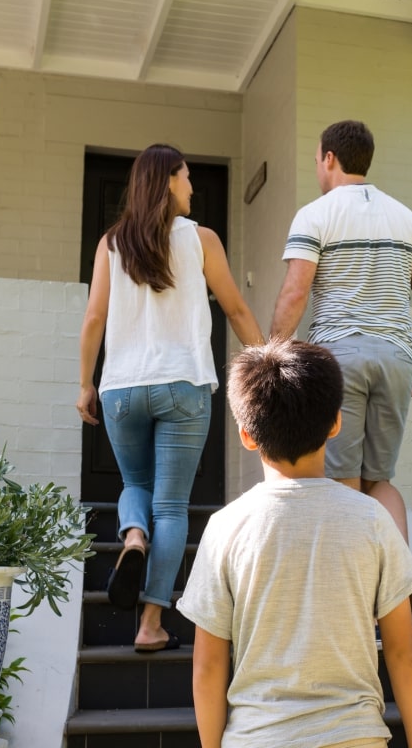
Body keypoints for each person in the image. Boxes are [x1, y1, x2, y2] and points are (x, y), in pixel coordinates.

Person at [177, 339, 412, 748]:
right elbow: (404, 655)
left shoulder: (225, 528)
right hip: (355, 737)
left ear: (246, 435)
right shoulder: (372, 520)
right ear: (336, 423)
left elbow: (208, 665)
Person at [77, 143, 263, 652]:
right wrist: (269, 362)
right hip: (183, 383)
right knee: (173, 505)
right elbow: (236, 309)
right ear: (167, 182)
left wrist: (85, 383)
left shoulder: (110, 244)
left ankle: (132, 535)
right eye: (186, 178)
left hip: (120, 388)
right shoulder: (201, 239)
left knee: (134, 482)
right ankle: (150, 623)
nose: (193, 187)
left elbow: (94, 318)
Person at [270, 119, 412, 635]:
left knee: (342, 484)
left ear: (328, 158)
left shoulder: (316, 214)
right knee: (379, 480)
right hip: (395, 357)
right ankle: (402, 585)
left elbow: (295, 294)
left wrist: (272, 355)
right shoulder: (408, 219)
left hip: (338, 360)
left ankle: (355, 603)